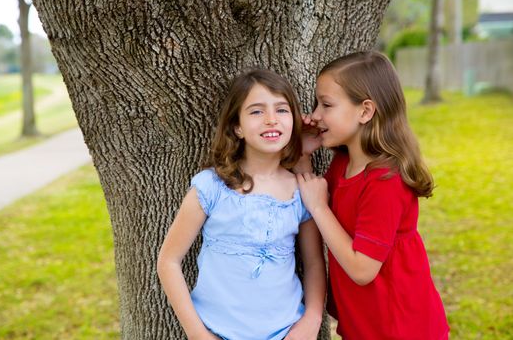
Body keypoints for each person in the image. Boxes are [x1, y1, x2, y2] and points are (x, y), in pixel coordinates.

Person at [157, 69, 326, 340]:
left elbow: (315, 264)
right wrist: (198, 334)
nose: (271, 120)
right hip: (218, 331)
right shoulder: (212, 186)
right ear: (237, 126)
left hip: (286, 332)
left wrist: (312, 319)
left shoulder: (300, 191)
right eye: (257, 112)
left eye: (282, 110)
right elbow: (169, 261)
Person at [295, 51, 449, 339]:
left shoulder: (385, 181)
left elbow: (362, 269)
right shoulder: (343, 163)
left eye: (326, 105)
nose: (315, 115)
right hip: (364, 322)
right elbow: (313, 199)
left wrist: (319, 207)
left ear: (365, 111)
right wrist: (303, 156)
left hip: (400, 327)